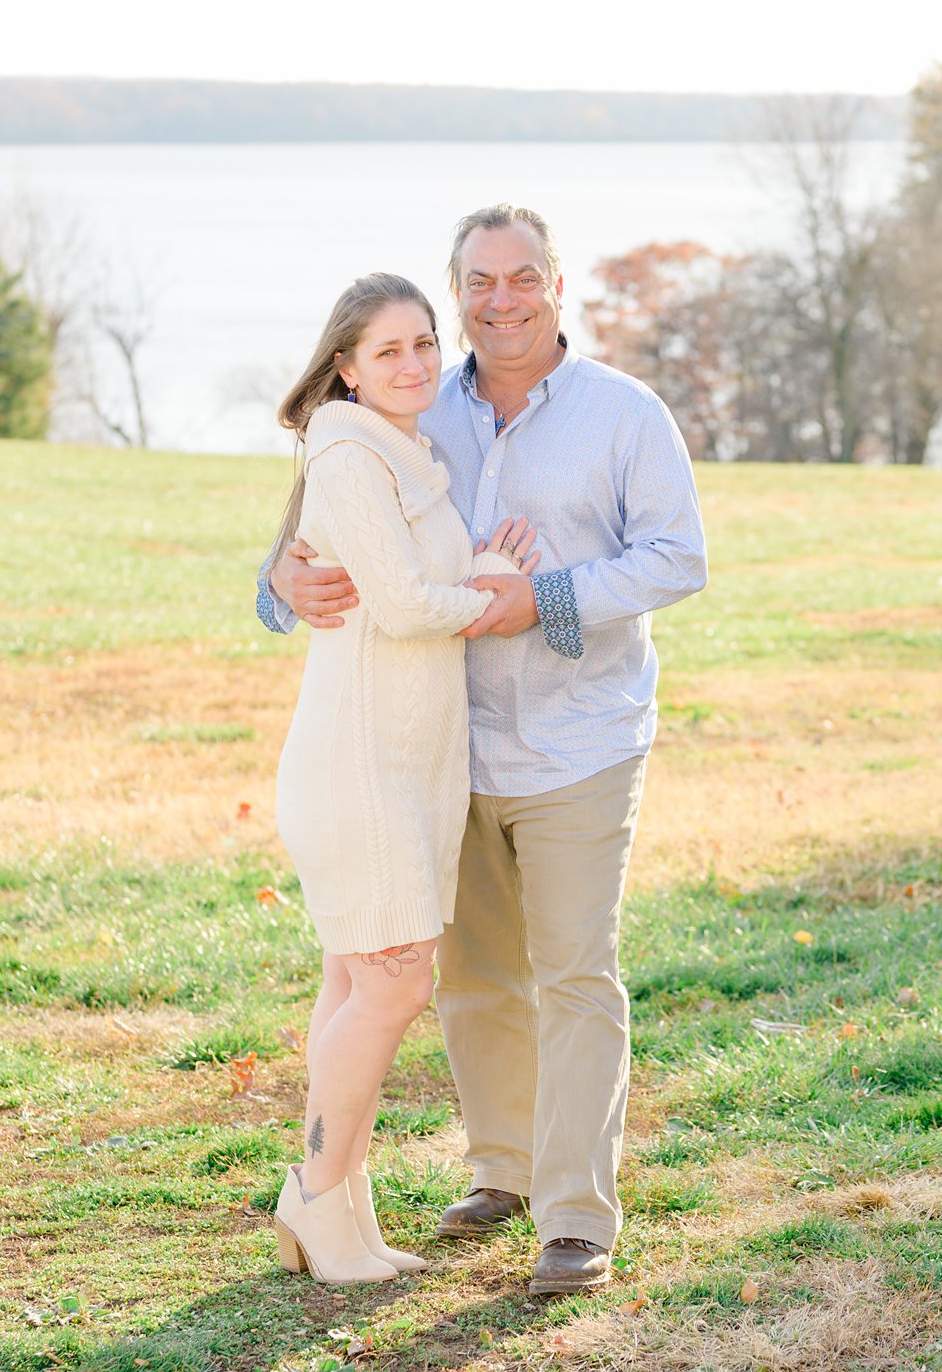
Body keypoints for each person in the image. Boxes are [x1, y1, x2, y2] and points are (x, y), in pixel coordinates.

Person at [259, 204, 708, 1295]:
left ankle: (574, 1216)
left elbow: (676, 557)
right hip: (444, 752)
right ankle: (500, 1170)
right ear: (456, 291)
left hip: (578, 743)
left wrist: (541, 599)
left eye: (521, 278)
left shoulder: (623, 413)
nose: (498, 300)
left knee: (575, 976)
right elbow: (324, 517)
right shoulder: (415, 404)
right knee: (472, 979)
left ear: (559, 284)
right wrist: (277, 581)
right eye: (477, 281)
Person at [263, 271, 541, 1284]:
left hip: (406, 764)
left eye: (425, 343)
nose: (415, 364)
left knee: (357, 979)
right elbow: (405, 603)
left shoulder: (401, 448)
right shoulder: (346, 453)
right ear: (345, 366)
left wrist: (471, 559)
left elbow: (409, 576)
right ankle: (313, 1195)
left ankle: (339, 1205)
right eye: (388, 351)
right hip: (360, 766)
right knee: (393, 980)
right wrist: (492, 586)